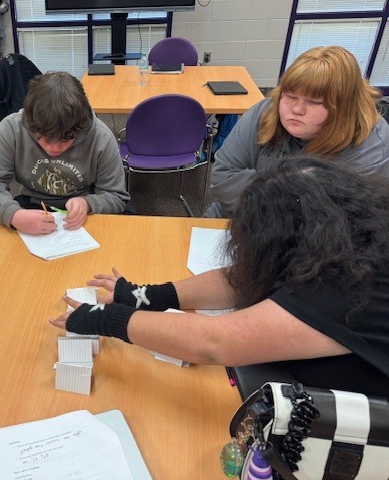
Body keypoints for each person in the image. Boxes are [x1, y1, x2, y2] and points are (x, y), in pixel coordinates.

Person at [50, 156, 389, 397]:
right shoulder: (349, 236)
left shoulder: (347, 291)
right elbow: (244, 278)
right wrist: (145, 295)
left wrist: (105, 318)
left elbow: (215, 343)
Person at [205, 45, 389, 218]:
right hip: (236, 218)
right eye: (291, 96)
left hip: (311, 242)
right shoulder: (265, 112)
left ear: (343, 108)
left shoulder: (370, 146)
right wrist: (301, 190)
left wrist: (260, 185)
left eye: (314, 102)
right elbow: (222, 180)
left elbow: (335, 220)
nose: (297, 109)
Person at [0, 71, 130, 236]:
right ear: (30, 124)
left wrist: (87, 203)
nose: (54, 148)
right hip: (33, 205)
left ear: (81, 127)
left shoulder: (101, 137)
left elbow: (116, 196)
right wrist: (14, 215)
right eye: (45, 138)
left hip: (86, 207)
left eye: (66, 139)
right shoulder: (11, 129)